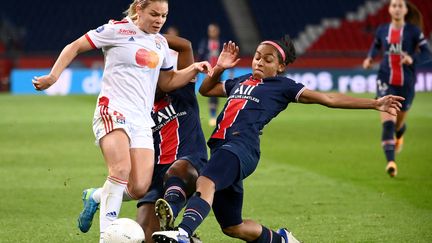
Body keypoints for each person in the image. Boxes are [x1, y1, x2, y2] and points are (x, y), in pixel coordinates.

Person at [151, 36, 404, 243]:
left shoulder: (284, 86)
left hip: (241, 147)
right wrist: (219, 68)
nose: (260, 62)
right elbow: (206, 90)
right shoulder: (240, 81)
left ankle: (182, 233)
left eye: (268, 59)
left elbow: (329, 99)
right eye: (258, 57)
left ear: (280, 67)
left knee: (206, 180)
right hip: (222, 151)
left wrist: (374, 103)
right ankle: (281, 239)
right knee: (232, 226)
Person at [31, 0, 212, 242]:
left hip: (141, 120)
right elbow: (74, 47)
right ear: (139, 9)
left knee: (138, 187)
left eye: (164, 16)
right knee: (120, 170)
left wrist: (193, 69)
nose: (159, 20)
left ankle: (95, 197)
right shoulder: (116, 30)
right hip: (113, 109)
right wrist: (53, 76)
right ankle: (107, 237)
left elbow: (168, 81)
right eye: (154, 14)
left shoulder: (159, 42)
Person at [135, 34, 207, 243]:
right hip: (155, 175)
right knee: (145, 237)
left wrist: (141, 34)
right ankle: (186, 238)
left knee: (177, 170)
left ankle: (172, 209)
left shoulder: (182, 90)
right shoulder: (139, 107)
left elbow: (186, 46)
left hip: (190, 163)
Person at [362, 0, 431, 177]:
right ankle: (391, 162)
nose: (397, 8)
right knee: (388, 123)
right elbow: (376, 45)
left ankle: (400, 134)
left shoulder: (414, 31)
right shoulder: (382, 30)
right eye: (394, 5)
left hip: (406, 83)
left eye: (401, 5)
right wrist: (370, 58)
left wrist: (412, 59)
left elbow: (426, 53)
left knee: (398, 125)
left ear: (406, 10)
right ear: (390, 9)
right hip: (385, 80)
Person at [197, 23, 224, 126]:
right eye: (210, 30)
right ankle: (213, 116)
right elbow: (200, 57)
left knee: (216, 93)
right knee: (210, 92)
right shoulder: (204, 43)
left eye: (214, 30)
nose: (212, 32)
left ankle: (215, 115)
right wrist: (198, 71)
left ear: (218, 31)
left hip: (218, 72)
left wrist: (230, 71)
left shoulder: (221, 43)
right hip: (208, 72)